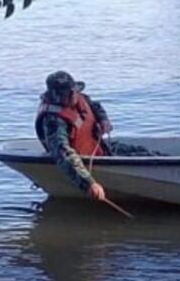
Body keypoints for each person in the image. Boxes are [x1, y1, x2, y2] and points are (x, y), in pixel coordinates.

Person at [35, 71, 152, 201]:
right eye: (67, 94)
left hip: (102, 149)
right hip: (83, 162)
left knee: (144, 152)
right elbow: (64, 154)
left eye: (74, 92)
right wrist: (89, 183)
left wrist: (103, 120)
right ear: (57, 96)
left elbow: (95, 106)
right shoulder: (53, 120)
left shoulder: (79, 97)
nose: (73, 96)